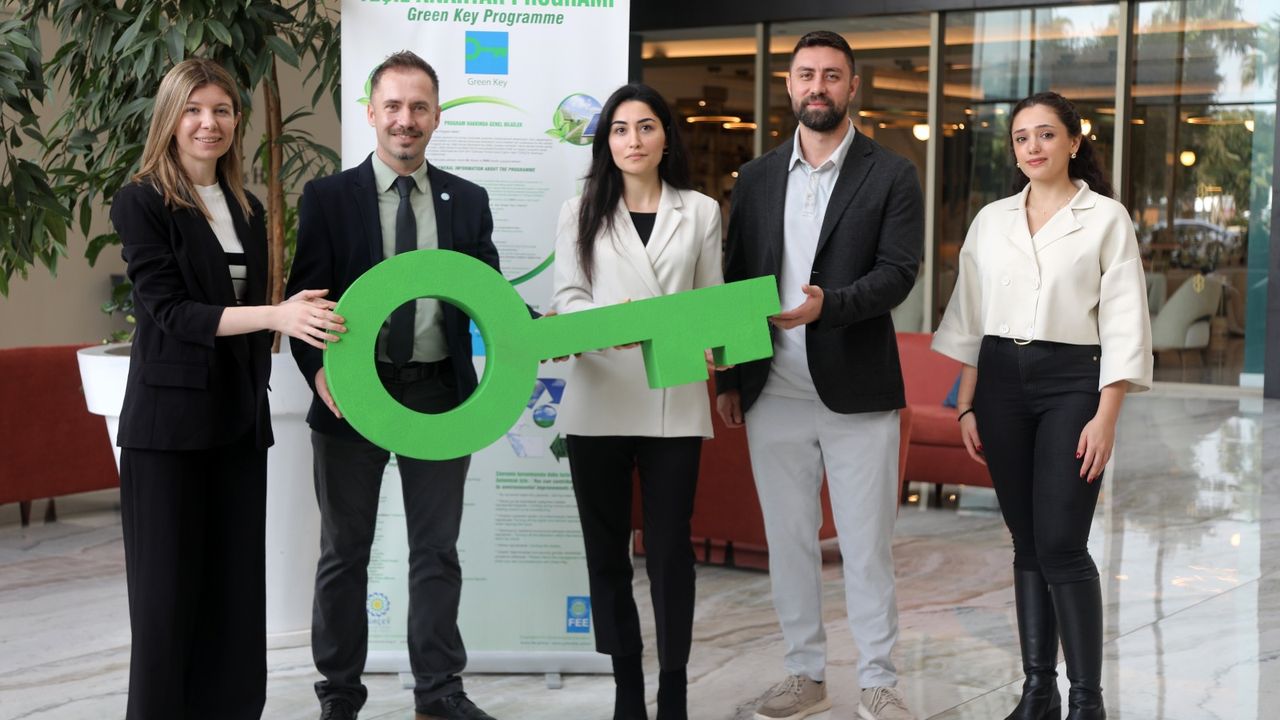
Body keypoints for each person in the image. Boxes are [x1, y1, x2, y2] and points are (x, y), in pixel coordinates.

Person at [110, 58, 344, 720]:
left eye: (220, 110)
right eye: (193, 110)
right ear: (170, 119)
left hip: (238, 425)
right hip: (168, 432)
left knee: (235, 595)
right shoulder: (142, 201)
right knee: (165, 602)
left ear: (237, 122)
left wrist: (297, 324)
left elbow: (251, 314)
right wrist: (277, 315)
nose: (207, 123)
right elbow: (171, 313)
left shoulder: (246, 207)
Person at [285, 50, 501, 720]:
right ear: (371, 113)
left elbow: (490, 297)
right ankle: (339, 695)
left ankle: (439, 691)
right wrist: (318, 371)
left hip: (439, 392)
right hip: (351, 395)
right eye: (394, 106)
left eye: (419, 107)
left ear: (436, 117)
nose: (406, 119)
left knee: (436, 550)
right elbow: (306, 301)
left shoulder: (467, 201)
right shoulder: (327, 198)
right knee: (344, 552)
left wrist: (535, 332)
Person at [714, 31, 921, 720]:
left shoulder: (891, 174)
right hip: (771, 389)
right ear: (789, 84)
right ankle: (804, 674)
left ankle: (878, 681)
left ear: (853, 87)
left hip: (857, 390)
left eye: (832, 75)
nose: (818, 86)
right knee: (789, 542)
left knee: (866, 546)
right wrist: (728, 381)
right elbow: (736, 279)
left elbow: (898, 274)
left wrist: (829, 305)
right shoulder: (756, 177)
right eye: (806, 74)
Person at [932, 91, 1152, 720]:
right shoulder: (991, 219)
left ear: (1074, 142)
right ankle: (1038, 692)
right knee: (1026, 541)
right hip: (999, 383)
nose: (1033, 146)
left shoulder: (1106, 218)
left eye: (1047, 134)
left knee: (1061, 542)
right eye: (1022, 137)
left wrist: (1106, 416)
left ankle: (1087, 700)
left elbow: (1125, 323)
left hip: (1073, 383)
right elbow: (970, 317)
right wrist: (966, 404)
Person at [550, 83, 723, 720]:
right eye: (620, 129)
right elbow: (567, 297)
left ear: (666, 137)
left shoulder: (700, 211)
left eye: (646, 126)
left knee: (672, 552)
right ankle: (627, 688)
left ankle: (673, 686)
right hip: (600, 392)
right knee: (606, 553)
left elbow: (711, 300)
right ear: (607, 142)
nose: (633, 140)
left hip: (673, 396)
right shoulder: (579, 211)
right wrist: (607, 324)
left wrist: (714, 344)